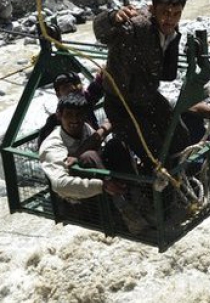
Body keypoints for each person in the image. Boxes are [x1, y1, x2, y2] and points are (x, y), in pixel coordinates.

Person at [93, 0, 192, 170]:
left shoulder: (171, 30)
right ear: (153, 9)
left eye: (176, 14)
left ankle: (186, 178)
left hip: (147, 97)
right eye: (165, 12)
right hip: (121, 105)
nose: (170, 19)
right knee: (154, 154)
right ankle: (155, 185)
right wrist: (112, 17)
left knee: (180, 138)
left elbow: (167, 73)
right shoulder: (136, 26)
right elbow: (101, 33)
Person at [39, 92, 149, 233]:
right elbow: (60, 185)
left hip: (102, 191)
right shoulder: (52, 145)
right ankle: (125, 213)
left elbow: (99, 151)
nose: (75, 120)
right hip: (76, 201)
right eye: (69, 115)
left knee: (115, 145)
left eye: (79, 115)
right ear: (59, 115)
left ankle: (139, 202)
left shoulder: (85, 128)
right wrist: (102, 186)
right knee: (89, 156)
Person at [37, 70, 109, 147]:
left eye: (77, 84)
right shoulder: (53, 124)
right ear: (58, 94)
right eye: (66, 87)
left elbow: (95, 88)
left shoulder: (86, 103)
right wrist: (104, 129)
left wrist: (103, 75)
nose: (73, 88)